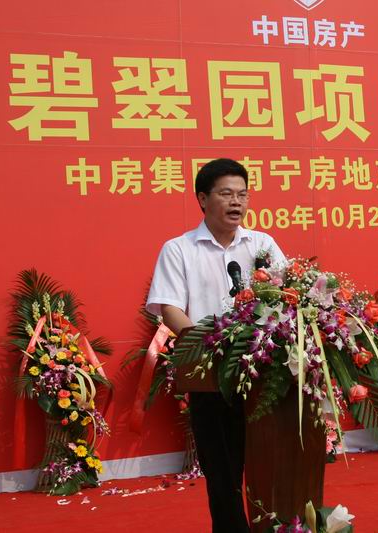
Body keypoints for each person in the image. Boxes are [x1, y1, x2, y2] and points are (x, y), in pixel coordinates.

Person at [146, 158, 285, 532]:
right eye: (226, 193)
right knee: (222, 474)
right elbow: (170, 308)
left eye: (242, 194)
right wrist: (210, 344)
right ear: (203, 199)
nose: (236, 202)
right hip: (211, 376)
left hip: (264, 373)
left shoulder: (262, 245)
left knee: (269, 464)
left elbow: (288, 296)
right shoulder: (179, 249)